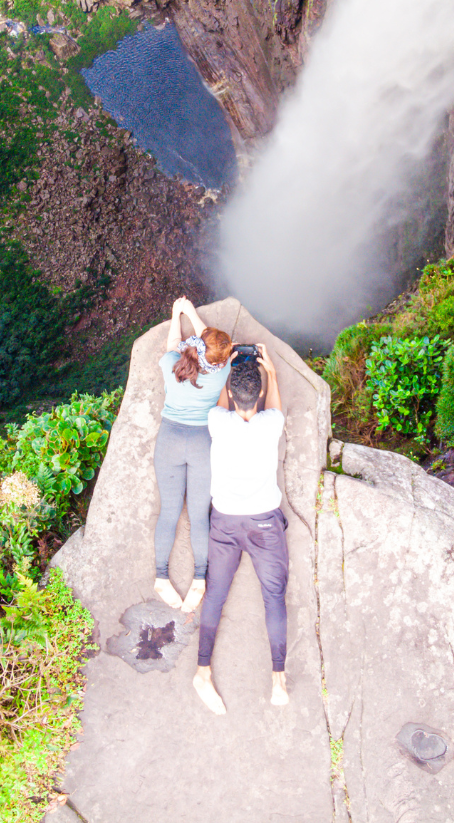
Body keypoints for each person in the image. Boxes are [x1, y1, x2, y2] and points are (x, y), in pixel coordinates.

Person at [193, 344, 289, 715]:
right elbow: (275, 406)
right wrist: (273, 374)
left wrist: (227, 370)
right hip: (264, 522)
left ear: (232, 395)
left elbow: (219, 406)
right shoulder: (272, 423)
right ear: (260, 395)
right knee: (274, 596)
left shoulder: (217, 422)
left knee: (216, 593)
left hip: (225, 521)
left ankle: (202, 671)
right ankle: (278, 680)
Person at [153, 296, 234, 614]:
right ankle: (200, 578)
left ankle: (161, 576)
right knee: (200, 516)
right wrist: (193, 314)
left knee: (169, 513)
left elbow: (179, 342)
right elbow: (212, 343)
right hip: (203, 442)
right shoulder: (221, 369)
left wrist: (179, 313)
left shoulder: (171, 363)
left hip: (170, 438)